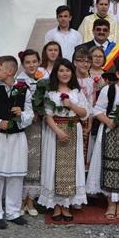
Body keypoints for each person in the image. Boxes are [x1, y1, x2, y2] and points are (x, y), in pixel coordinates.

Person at [0, 56, 34, 229]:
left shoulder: (24, 91)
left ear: (9, 71)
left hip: (17, 139)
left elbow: (30, 115)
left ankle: (13, 211)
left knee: (16, 176)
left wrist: (21, 115)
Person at [87, 58, 119, 219]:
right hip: (110, 132)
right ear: (118, 74)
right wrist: (109, 121)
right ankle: (110, 202)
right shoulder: (109, 90)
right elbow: (97, 110)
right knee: (109, 165)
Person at [39, 60, 90, 221]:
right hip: (55, 131)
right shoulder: (50, 93)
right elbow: (48, 116)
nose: (65, 73)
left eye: (68, 70)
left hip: (74, 129)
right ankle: (55, 204)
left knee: (71, 167)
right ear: (56, 73)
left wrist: (71, 105)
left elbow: (85, 114)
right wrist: (58, 132)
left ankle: (66, 204)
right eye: (61, 70)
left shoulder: (76, 92)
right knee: (54, 165)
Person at [16, 49, 48, 216]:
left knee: (36, 161)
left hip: (40, 124)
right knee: (25, 159)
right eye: (27, 62)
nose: (31, 65)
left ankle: (31, 200)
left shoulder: (44, 78)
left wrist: (40, 111)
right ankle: (20, 200)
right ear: (23, 64)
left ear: (39, 62)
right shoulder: (19, 81)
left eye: (34, 62)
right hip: (24, 125)